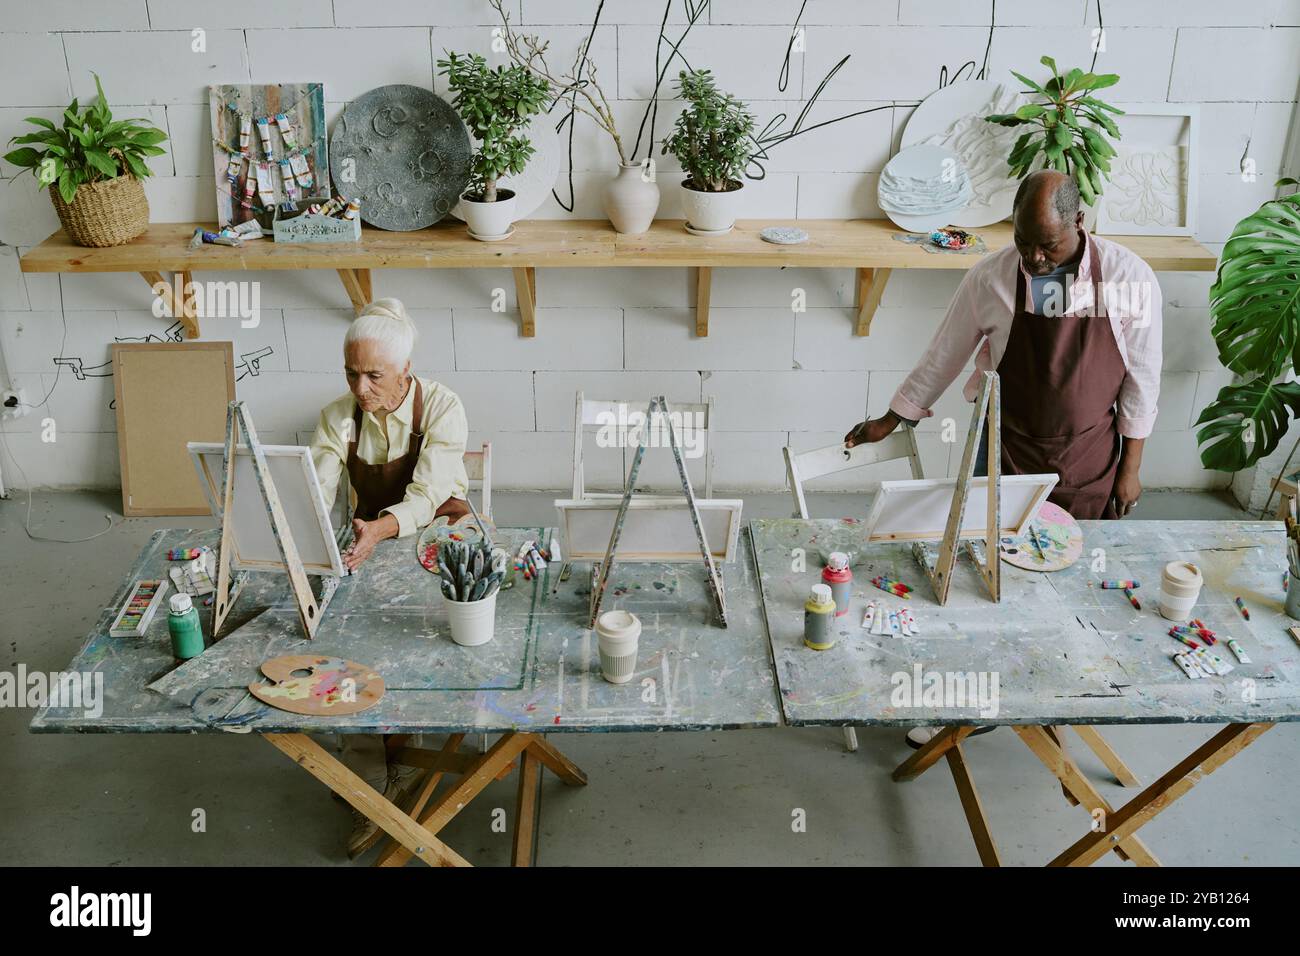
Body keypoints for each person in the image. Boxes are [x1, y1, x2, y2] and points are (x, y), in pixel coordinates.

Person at [844, 170, 1162, 747]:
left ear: (1079, 224)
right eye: (1023, 243)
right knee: (987, 576)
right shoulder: (990, 277)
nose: (1036, 259)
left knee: (1071, 581)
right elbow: (943, 354)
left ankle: (1059, 693)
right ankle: (970, 701)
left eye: (1050, 245)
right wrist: (894, 417)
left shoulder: (1129, 279)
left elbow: (1142, 381)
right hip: (1006, 448)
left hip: (1090, 455)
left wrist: (1131, 469)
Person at [309, 297, 471, 857]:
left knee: (427, 636)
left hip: (437, 532)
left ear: (405, 370)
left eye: (374, 375)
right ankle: (374, 780)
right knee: (350, 644)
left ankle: (411, 748)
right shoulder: (338, 417)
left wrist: (381, 529)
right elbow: (316, 491)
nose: (360, 387)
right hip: (371, 538)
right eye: (351, 373)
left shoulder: (443, 408)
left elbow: (427, 496)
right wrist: (304, 530)